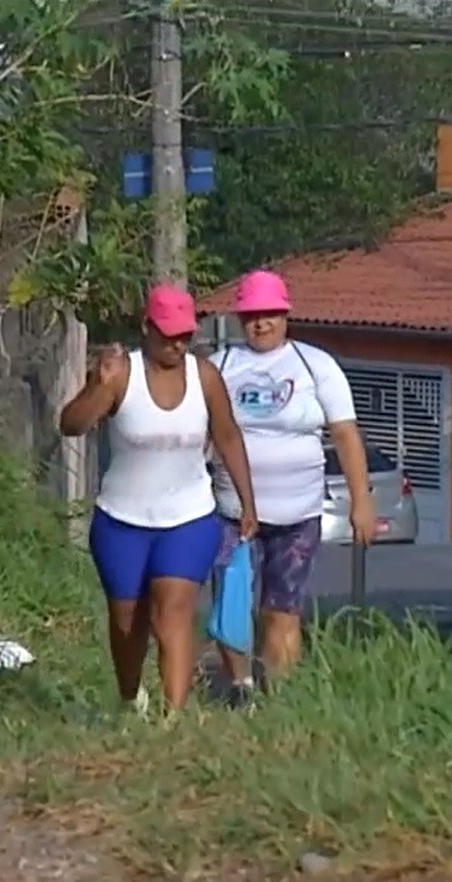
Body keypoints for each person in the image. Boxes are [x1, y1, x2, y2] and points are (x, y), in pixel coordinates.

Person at [59, 283, 258, 717]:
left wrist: (247, 501)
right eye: (168, 333)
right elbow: (70, 425)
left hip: (189, 518)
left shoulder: (204, 377)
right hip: (121, 520)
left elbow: (227, 435)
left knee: (173, 612)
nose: (177, 343)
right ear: (146, 328)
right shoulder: (122, 374)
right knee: (128, 619)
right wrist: (98, 385)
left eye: (185, 334)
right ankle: (131, 698)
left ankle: (173, 720)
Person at [208, 269, 376, 708]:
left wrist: (362, 502)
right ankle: (240, 689)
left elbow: (345, 434)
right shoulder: (222, 366)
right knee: (231, 600)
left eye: (269, 314)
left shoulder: (314, 366)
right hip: (232, 510)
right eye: (250, 316)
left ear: (285, 315)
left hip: (297, 513)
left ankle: (278, 697)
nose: (260, 324)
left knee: (281, 608)